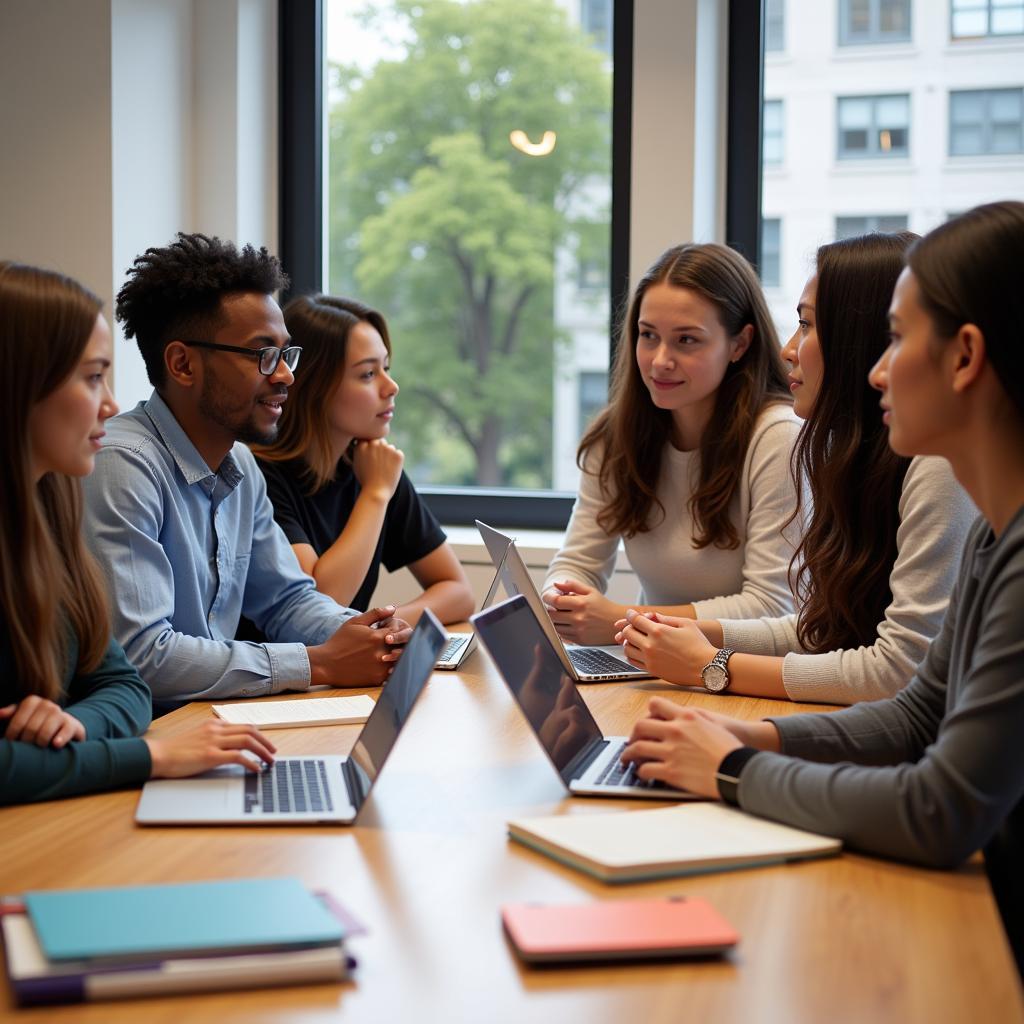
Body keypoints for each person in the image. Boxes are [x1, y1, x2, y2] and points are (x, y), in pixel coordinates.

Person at [620, 201, 1024, 972]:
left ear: (966, 357)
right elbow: (913, 715)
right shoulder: (993, 534)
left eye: (898, 339)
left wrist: (733, 768)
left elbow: (938, 809)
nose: (876, 366)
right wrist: (748, 736)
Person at [616, 233, 976, 704]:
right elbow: (823, 630)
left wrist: (711, 665)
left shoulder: (938, 465)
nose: (788, 349)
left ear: (862, 340)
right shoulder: (852, 457)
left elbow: (899, 670)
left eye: (807, 326)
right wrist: (683, 630)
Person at [81, 233, 410, 711]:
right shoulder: (122, 466)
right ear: (183, 364)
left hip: (209, 724)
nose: (285, 376)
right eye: (263, 355)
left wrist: (369, 634)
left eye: (286, 354)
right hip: (147, 737)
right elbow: (143, 656)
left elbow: (286, 601)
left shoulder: (241, 466)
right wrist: (319, 663)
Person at [0, 261, 275, 804]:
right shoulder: (121, 463)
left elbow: (123, 686)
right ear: (19, 386)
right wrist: (151, 756)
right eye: (92, 377)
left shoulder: (46, 516)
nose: (109, 403)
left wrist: (70, 724)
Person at [542, 242, 801, 646]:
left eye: (686, 341)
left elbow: (772, 606)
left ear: (740, 344)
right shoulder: (616, 435)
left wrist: (622, 620)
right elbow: (578, 561)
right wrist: (560, 597)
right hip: (653, 669)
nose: (660, 360)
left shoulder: (778, 436)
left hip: (748, 677)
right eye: (648, 336)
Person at [248, 293, 473, 626]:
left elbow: (458, 592)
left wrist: (385, 626)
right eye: (368, 374)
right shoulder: (257, 476)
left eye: (386, 368)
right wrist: (375, 494)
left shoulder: (372, 465)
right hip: (281, 675)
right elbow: (314, 605)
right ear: (313, 386)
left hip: (342, 673)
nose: (391, 386)